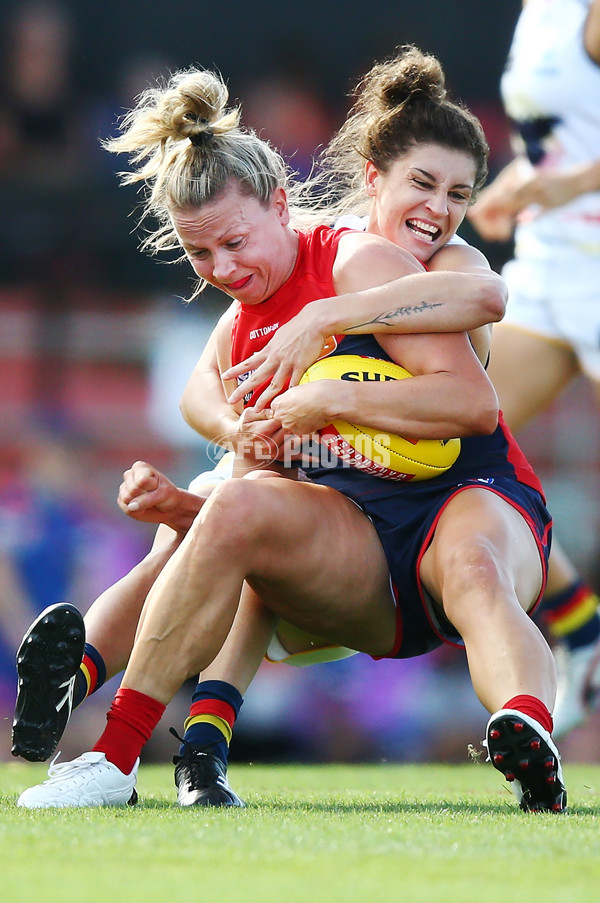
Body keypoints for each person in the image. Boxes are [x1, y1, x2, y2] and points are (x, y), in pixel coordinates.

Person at [15, 54, 566, 814]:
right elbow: (202, 395)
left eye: (234, 243)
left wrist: (328, 378)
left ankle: (528, 730)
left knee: (473, 566)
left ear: (283, 207)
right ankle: (111, 747)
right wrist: (227, 448)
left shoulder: (364, 262)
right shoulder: (251, 308)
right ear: (374, 179)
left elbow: (475, 395)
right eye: (200, 253)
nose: (222, 267)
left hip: (466, 497)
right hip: (360, 546)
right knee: (225, 502)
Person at [467, 0, 600, 738]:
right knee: (457, 444)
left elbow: (578, 167)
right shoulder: (538, 11)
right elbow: (563, 138)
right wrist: (520, 182)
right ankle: (583, 628)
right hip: (550, 268)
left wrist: (571, 185)